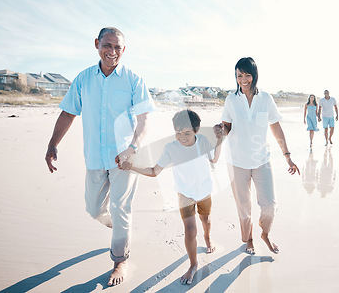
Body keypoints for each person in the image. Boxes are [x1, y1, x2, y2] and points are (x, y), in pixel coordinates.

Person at [44, 27, 155, 287]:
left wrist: (133, 147)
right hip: (94, 156)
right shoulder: (83, 79)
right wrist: (52, 143)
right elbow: (69, 112)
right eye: (107, 45)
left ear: (123, 50)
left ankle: (120, 260)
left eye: (118, 47)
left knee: (121, 208)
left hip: (125, 158)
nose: (112, 51)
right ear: (97, 44)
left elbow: (145, 117)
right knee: (94, 208)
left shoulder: (133, 79)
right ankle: (116, 226)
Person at [121, 109, 223, 285]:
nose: (182, 137)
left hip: (204, 190)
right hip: (184, 194)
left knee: (205, 220)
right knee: (190, 230)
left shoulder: (203, 142)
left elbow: (214, 159)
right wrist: (132, 166)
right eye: (178, 133)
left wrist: (220, 139)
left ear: (196, 131)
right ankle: (193, 265)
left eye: (187, 133)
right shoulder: (170, 148)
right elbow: (154, 171)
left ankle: (207, 237)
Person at [220, 57, 300, 255]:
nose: (243, 79)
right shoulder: (231, 100)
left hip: (261, 160)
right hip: (237, 161)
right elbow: (226, 127)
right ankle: (248, 239)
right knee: (244, 207)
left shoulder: (266, 99)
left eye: (247, 75)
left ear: (254, 75)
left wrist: (287, 156)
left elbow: (276, 127)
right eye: (239, 75)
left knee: (269, 204)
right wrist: (219, 131)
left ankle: (265, 233)